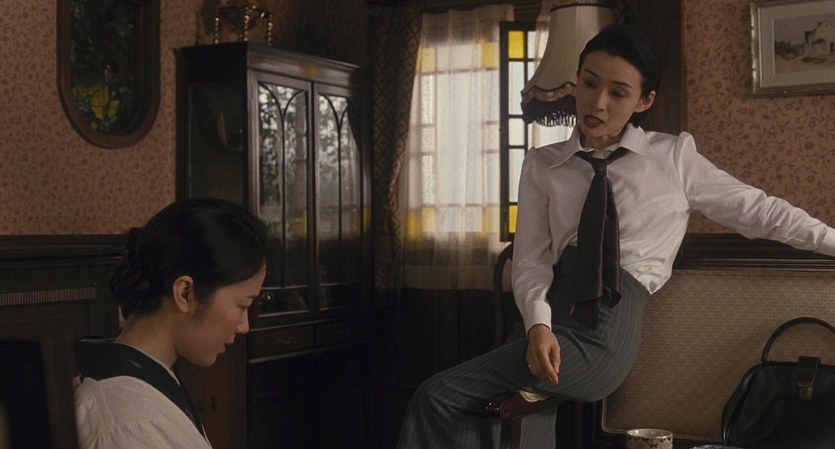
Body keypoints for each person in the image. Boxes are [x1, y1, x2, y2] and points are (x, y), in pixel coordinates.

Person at [395, 23, 835, 449]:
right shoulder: (542, 164)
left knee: (437, 394)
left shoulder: (674, 158)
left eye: (618, 93)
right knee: (493, 417)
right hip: (542, 325)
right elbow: (531, 261)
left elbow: (760, 211)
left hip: (602, 338)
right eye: (589, 83)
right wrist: (538, 326)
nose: (597, 102)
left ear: (645, 100)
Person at [73, 197, 268, 449]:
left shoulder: (147, 374)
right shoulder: (128, 419)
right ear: (185, 293)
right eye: (242, 305)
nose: (244, 326)